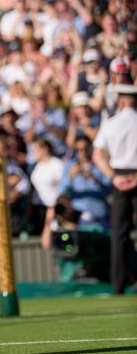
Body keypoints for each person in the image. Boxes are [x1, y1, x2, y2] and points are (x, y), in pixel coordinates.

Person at [92, 84, 137, 295]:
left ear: (120, 101)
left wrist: (113, 177)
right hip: (131, 175)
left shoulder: (110, 123)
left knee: (118, 234)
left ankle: (118, 286)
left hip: (118, 178)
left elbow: (98, 154)